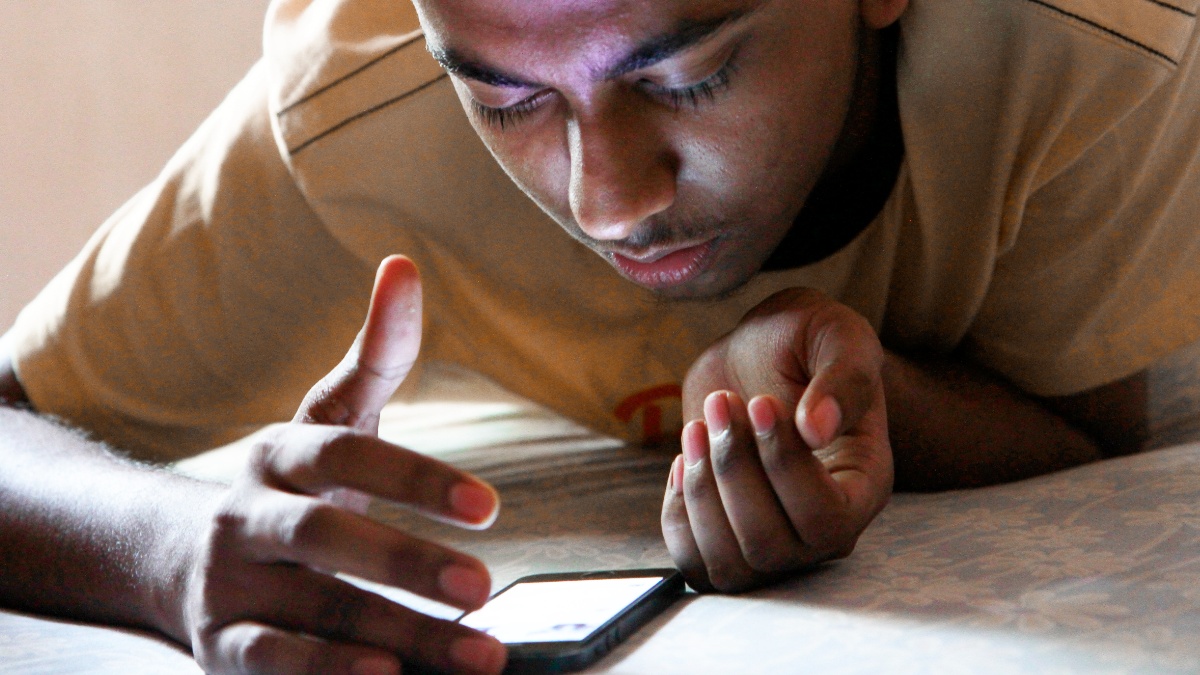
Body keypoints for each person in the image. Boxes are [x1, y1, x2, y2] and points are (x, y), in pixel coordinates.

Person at [3, 0, 1200, 672]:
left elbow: (1088, 425)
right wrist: (170, 548)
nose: (607, 201)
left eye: (687, 78)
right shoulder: (359, 126)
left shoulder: (1094, 41)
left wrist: (865, 386)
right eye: (506, 102)